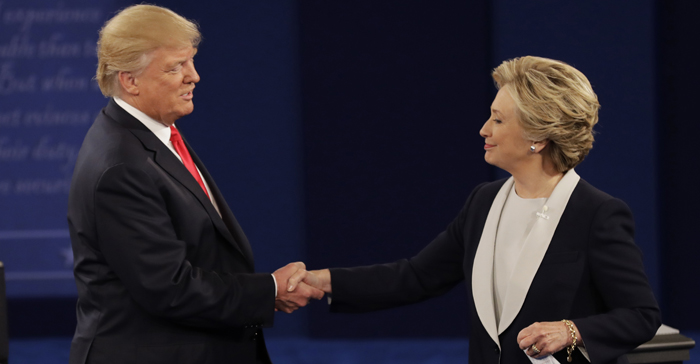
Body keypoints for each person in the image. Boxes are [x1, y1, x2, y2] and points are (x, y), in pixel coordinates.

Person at [293, 56, 661, 363]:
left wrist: (571, 330)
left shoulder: (597, 213)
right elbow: (416, 277)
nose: (484, 129)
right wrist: (322, 281)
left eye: (499, 120)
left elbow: (640, 315)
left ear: (538, 135)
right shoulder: (483, 202)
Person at [67, 5, 322, 364]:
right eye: (175, 67)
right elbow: (168, 288)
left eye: (191, 62)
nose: (194, 77)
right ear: (130, 80)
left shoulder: (151, 136)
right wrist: (271, 290)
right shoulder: (122, 166)